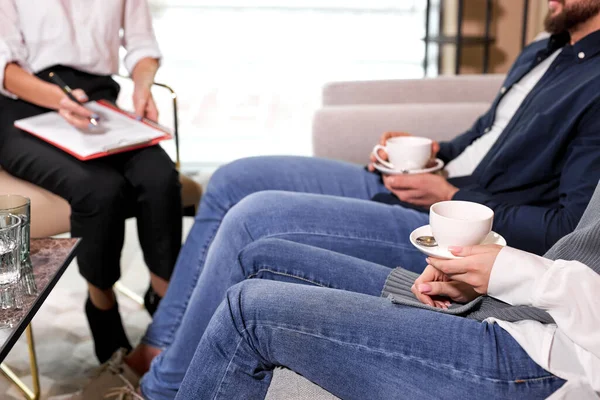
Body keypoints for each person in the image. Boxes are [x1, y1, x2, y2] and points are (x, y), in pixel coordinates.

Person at [75, 0, 600, 397]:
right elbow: (486, 137)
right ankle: (159, 348)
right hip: (425, 186)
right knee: (234, 179)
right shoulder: (545, 49)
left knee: (252, 219)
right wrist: (433, 153)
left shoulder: (594, 82)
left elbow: (564, 229)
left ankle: (157, 380)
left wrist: (449, 192)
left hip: (454, 222)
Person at [175, 178, 600, 399]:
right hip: (517, 312)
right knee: (263, 255)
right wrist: (488, 289)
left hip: (547, 362)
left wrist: (513, 272)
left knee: (247, 313)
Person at [0, 1, 182, 363]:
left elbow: (143, 46)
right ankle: (102, 306)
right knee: (99, 189)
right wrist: (60, 101)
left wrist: (142, 86)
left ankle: (168, 312)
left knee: (160, 177)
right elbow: (5, 70)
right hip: (23, 108)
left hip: (98, 104)